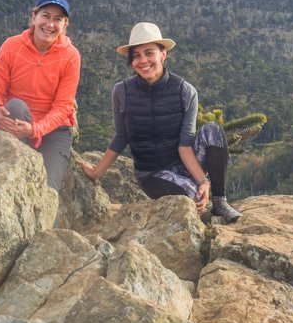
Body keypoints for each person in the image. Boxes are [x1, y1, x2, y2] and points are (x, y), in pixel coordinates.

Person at [77, 22, 242, 222]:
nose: (142, 60)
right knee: (192, 199)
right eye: (136, 55)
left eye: (149, 53)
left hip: (183, 163)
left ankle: (220, 201)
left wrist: (203, 181)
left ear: (163, 54)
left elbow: (185, 143)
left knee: (213, 130)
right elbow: (121, 136)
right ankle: (198, 193)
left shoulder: (185, 91)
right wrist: (97, 172)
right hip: (152, 173)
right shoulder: (122, 91)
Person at [0, 0, 81, 190]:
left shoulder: (71, 56)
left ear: (65, 25)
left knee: (46, 190)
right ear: (34, 17)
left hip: (54, 130)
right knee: (15, 106)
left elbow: (63, 107)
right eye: (45, 16)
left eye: (58, 19)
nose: (50, 24)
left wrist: (35, 130)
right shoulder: (12, 46)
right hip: (18, 118)